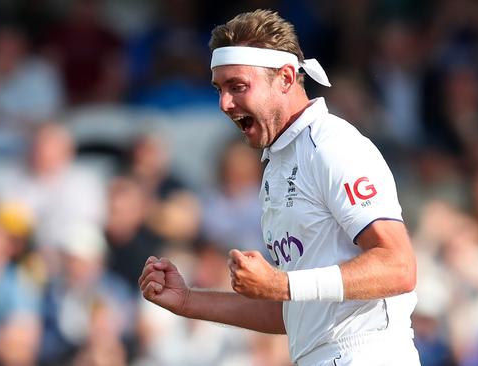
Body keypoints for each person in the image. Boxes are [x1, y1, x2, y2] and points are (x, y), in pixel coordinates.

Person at [138, 9, 420, 366]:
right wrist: (188, 302)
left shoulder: (332, 146)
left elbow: (399, 267)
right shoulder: (278, 164)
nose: (224, 103)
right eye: (220, 89)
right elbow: (291, 313)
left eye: (238, 86)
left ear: (286, 77)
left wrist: (280, 284)